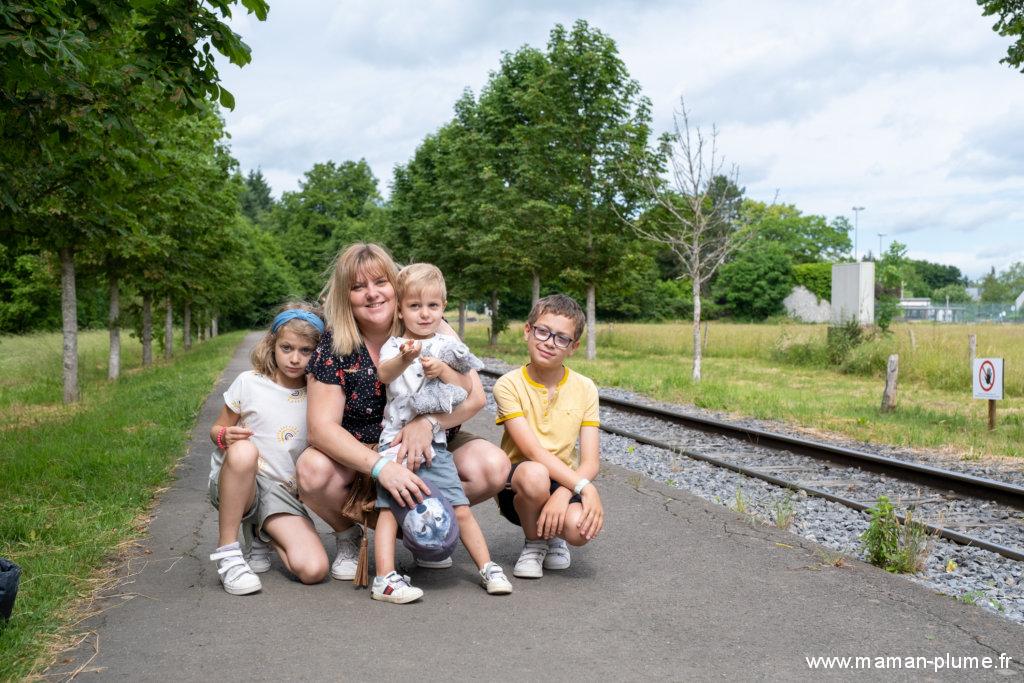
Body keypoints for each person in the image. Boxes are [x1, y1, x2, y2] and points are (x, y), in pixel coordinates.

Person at [297, 243, 509, 587]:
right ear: (345, 296)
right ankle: (348, 536)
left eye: (380, 282)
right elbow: (321, 430)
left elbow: (474, 399)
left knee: (493, 465)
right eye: (358, 287)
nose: (371, 294)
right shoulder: (335, 344)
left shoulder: (431, 324)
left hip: (434, 444)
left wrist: (426, 424)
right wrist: (384, 467)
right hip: (364, 454)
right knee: (312, 470)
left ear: (395, 285)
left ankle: (427, 529)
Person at [371, 263, 512, 602]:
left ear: (443, 308)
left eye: (432, 306)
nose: (424, 314)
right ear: (401, 311)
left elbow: (467, 388)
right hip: (395, 442)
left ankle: (487, 566)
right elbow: (384, 374)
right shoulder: (396, 344)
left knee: (457, 504)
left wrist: (443, 368)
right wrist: (407, 359)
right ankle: (384, 578)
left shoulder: (447, 344)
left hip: (435, 443)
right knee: (390, 509)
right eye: (415, 306)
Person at [208, 303, 328, 595]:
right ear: (273, 344)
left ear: (319, 352)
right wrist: (225, 435)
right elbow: (216, 430)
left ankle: (261, 532)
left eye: (306, 351)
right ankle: (229, 553)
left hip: (283, 494)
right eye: (287, 348)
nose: (295, 359)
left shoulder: (320, 393)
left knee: (314, 570)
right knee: (245, 452)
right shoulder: (249, 383)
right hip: (240, 482)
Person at [492, 294, 605, 579]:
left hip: (563, 480)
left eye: (562, 338)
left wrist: (567, 492)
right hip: (519, 482)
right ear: (527, 331)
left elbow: (590, 461)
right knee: (536, 474)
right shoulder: (509, 385)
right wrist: (586, 489)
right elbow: (533, 452)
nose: (549, 342)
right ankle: (534, 542)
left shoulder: (585, 388)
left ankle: (556, 535)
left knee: (580, 530)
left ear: (573, 347)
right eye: (543, 331)